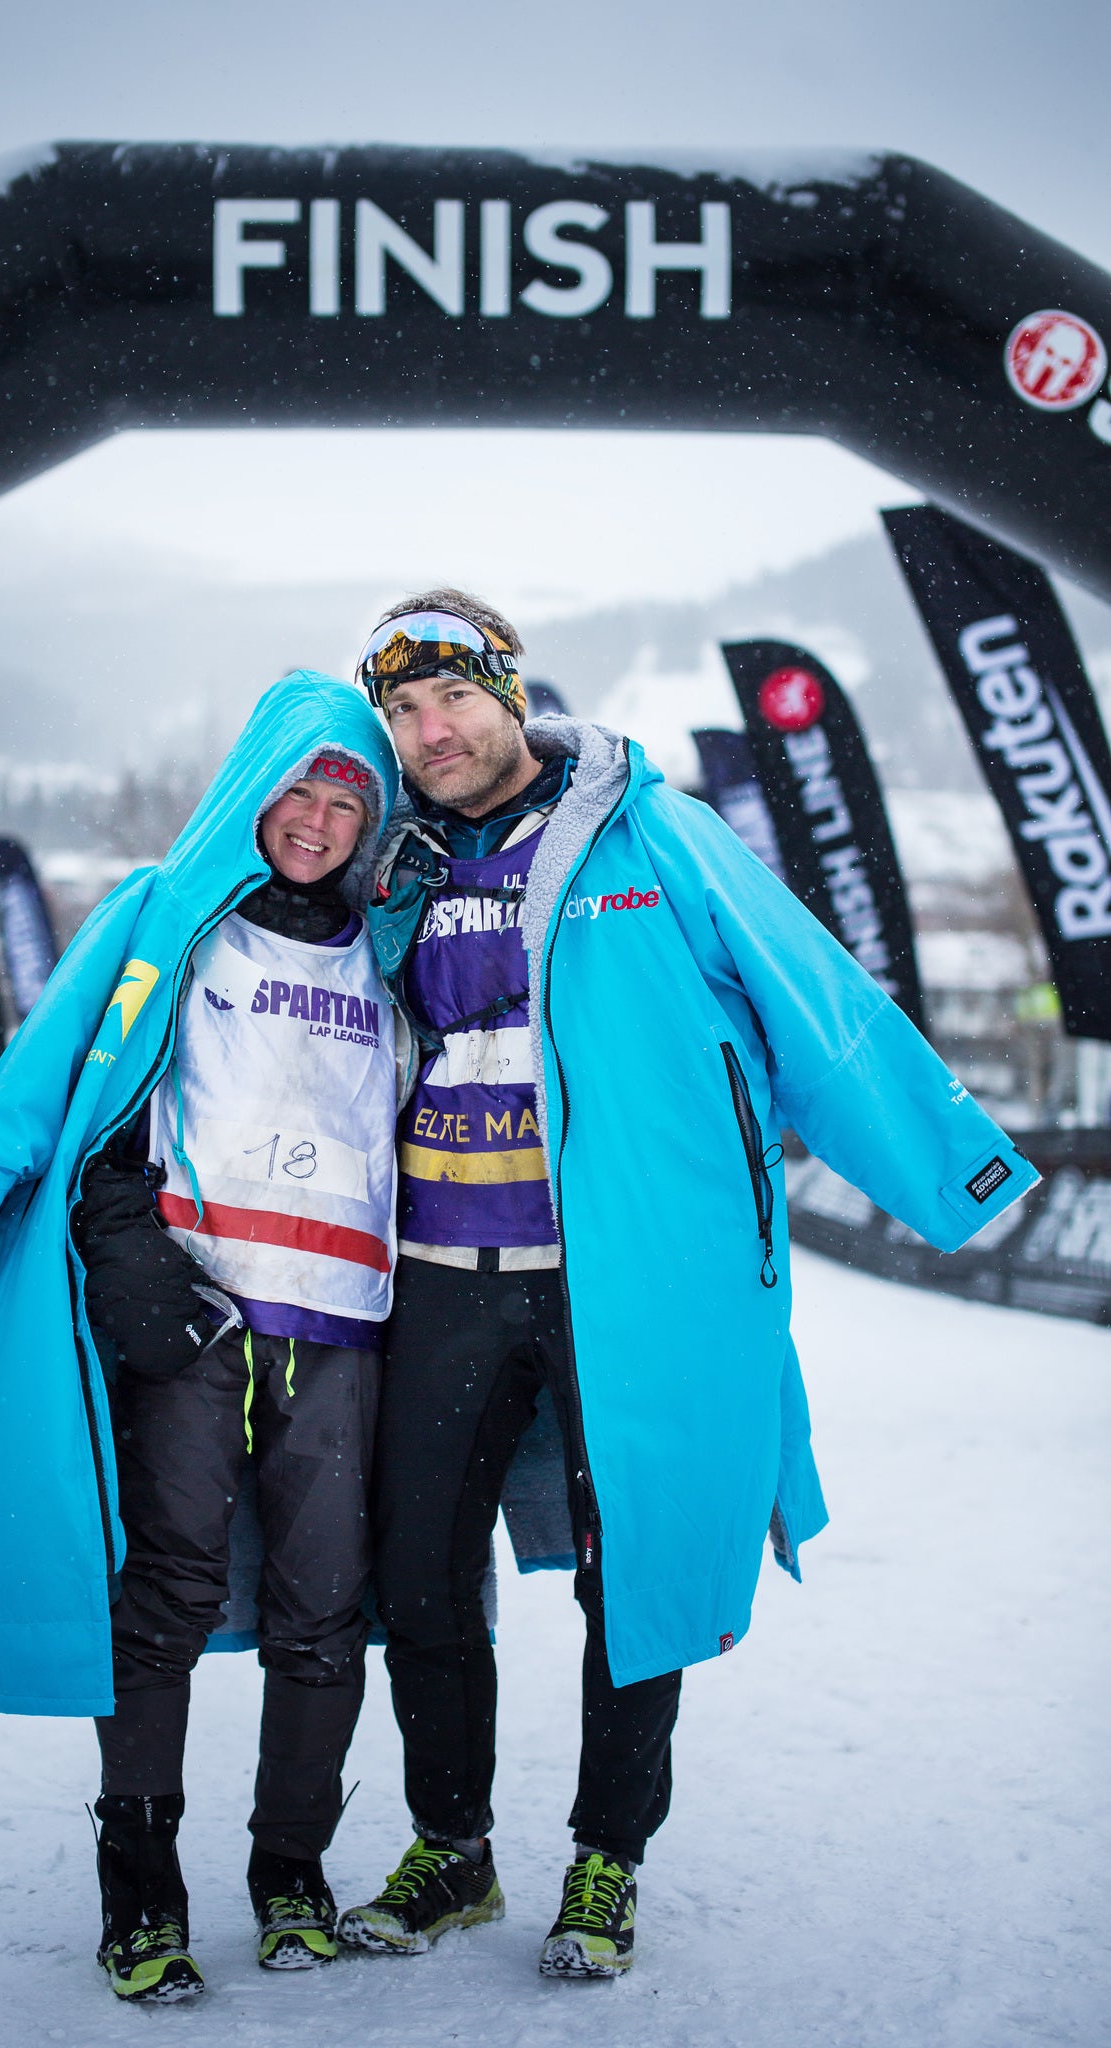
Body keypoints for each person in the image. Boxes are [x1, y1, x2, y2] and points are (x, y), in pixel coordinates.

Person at [334, 591, 1038, 1980]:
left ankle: (606, 1858)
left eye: (452, 699)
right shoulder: (394, 865)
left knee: (635, 1567)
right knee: (412, 1575)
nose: (430, 732)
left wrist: (959, 1171)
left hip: (629, 1277)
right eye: (403, 714)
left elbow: (813, 1001)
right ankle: (453, 1849)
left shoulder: (652, 833)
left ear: (508, 691)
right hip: (439, 1275)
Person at [0, 673, 404, 2002]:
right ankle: (139, 1891)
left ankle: (291, 1874)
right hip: (200, 1321)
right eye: (300, 789)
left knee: (326, 1613)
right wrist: (79, 1252)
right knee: (166, 1599)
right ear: (254, 787)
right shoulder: (164, 914)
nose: (319, 820)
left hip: (345, 1326)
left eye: (348, 799)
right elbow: (45, 1099)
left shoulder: (393, 945)